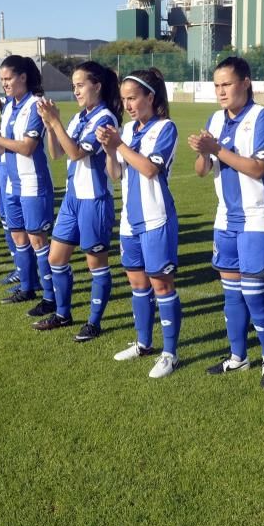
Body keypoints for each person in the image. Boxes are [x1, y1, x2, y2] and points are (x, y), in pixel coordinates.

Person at [189, 56, 264, 388]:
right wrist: (204, 152)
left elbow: (258, 168)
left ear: (245, 82)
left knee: (254, 294)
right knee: (231, 294)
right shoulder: (215, 119)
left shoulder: (262, 117)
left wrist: (217, 148)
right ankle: (238, 357)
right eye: (216, 85)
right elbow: (203, 171)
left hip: (258, 218)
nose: (220, 91)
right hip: (225, 219)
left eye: (226, 84)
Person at [97, 68, 181, 379]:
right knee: (137, 284)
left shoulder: (165, 128)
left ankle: (170, 353)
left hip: (157, 218)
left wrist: (117, 144)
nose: (128, 105)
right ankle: (144, 343)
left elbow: (148, 169)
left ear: (151, 97)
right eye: (124, 100)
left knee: (161, 285)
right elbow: (116, 174)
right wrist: (109, 149)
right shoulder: (129, 130)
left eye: (133, 98)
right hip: (130, 221)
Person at [32, 61, 121, 340]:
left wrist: (56, 121)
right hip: (73, 198)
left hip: (94, 200)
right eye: (74, 86)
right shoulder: (80, 117)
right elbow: (57, 153)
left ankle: (94, 322)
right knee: (55, 258)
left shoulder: (105, 118)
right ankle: (62, 314)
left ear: (97, 85)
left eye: (80, 85)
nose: (76, 90)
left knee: (96, 263)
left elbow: (76, 154)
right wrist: (49, 125)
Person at [0, 47, 56, 314]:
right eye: (2, 79)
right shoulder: (9, 106)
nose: (4, 84)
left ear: (23, 78)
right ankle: (27, 287)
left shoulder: (36, 105)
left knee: (37, 240)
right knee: (18, 235)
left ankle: (50, 296)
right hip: (12, 182)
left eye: (7, 79)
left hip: (32, 183)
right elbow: (4, 149)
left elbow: (28, 147)